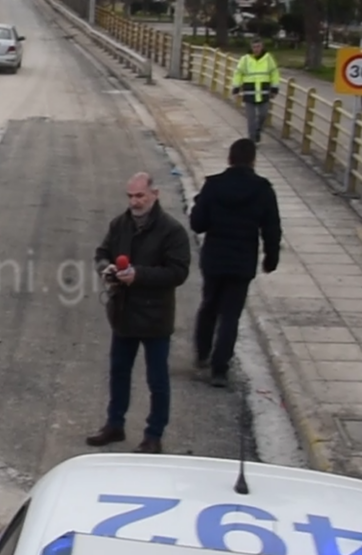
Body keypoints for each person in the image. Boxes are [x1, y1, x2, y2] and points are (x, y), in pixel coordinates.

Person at [88, 172, 192, 455]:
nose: (134, 202)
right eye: (130, 196)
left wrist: (139, 275)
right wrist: (106, 268)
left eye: (140, 196)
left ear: (154, 194)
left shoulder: (172, 231)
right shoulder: (120, 225)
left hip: (155, 317)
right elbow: (101, 253)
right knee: (119, 372)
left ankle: (154, 434)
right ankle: (114, 424)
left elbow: (178, 272)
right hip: (123, 314)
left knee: (157, 380)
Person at [189, 138, 281, 388]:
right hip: (242, 261)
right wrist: (270, 259)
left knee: (209, 305)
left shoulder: (213, 186)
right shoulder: (263, 190)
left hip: (215, 258)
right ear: (253, 160)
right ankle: (220, 369)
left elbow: (197, 223)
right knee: (231, 314)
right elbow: (272, 229)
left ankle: (202, 353)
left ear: (229, 158)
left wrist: (202, 206)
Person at [231, 37, 281, 144]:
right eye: (254, 47)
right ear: (251, 47)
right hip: (249, 93)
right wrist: (236, 87)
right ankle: (252, 139)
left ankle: (258, 130)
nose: (256, 49)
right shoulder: (245, 59)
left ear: (262, 47)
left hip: (264, 93)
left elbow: (274, 73)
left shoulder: (268, 59)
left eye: (258, 47)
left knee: (263, 115)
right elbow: (238, 73)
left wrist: (274, 88)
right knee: (251, 118)